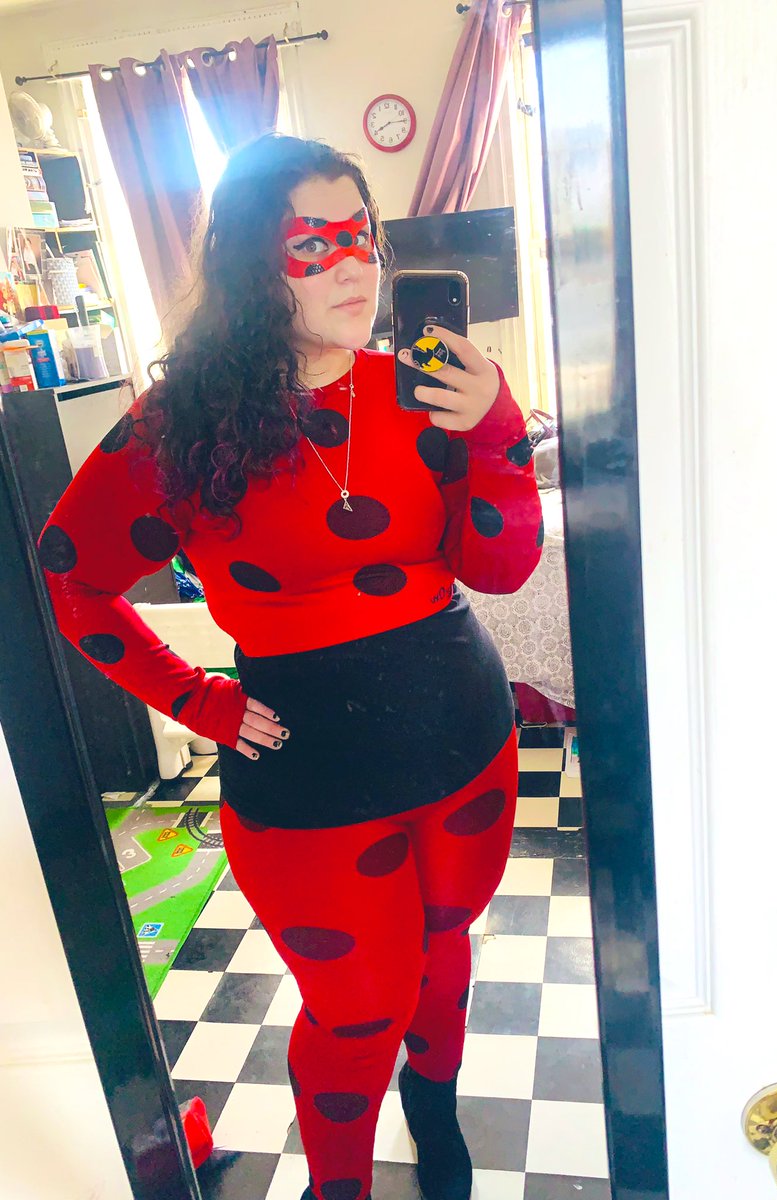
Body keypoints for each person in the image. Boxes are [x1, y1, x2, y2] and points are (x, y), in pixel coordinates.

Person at [38, 133, 543, 1200]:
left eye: (362, 236)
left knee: (445, 952)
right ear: (251, 268)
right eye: (314, 245)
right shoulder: (181, 429)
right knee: (357, 1014)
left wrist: (499, 428)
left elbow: (501, 569)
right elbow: (71, 580)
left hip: (464, 740)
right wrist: (195, 699)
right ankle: (337, 1189)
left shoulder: (425, 392)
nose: (355, 266)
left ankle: (436, 1110)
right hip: (308, 780)